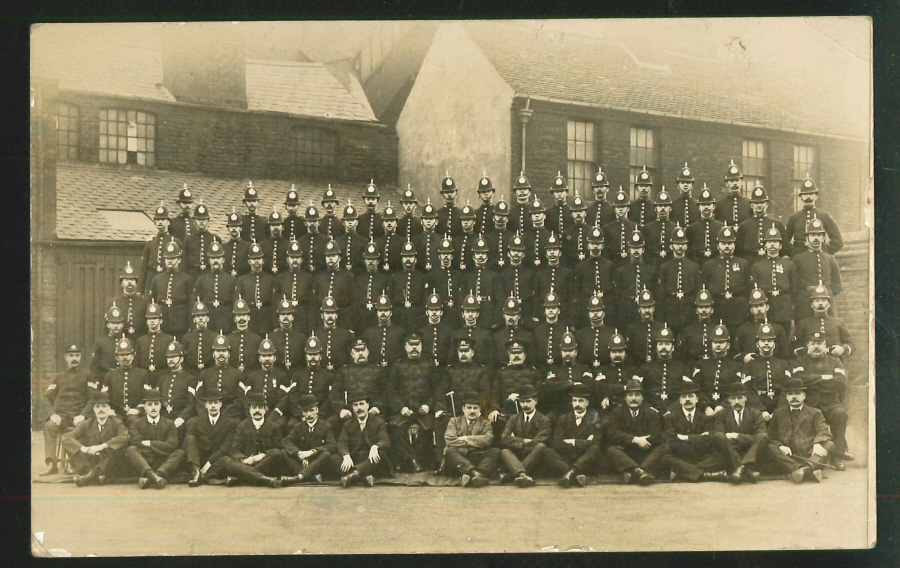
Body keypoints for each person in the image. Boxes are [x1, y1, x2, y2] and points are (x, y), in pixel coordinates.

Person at [792, 331, 853, 469]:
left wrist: (812, 380)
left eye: (819, 343)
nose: (816, 347)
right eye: (813, 343)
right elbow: (799, 380)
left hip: (830, 403)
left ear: (825, 345)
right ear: (807, 345)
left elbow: (840, 382)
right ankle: (812, 457)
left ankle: (837, 455)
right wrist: (824, 378)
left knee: (840, 414)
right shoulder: (800, 361)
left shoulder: (835, 361)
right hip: (809, 404)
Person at [433, 337, 495, 469]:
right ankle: (441, 462)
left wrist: (480, 410)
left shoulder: (481, 370)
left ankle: (476, 458)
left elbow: (485, 393)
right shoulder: (449, 370)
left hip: (474, 410)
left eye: (466, 351)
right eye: (460, 351)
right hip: (453, 411)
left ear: (472, 352)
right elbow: (440, 391)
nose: (463, 354)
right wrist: (441, 409)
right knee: (441, 421)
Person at [657, 379, 732, 483]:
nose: (687, 399)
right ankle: (706, 476)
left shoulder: (706, 418)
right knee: (665, 458)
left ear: (697, 399)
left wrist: (686, 438)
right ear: (680, 400)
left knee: (721, 457)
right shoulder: (671, 418)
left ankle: (685, 473)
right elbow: (671, 440)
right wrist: (699, 438)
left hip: (702, 456)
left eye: (691, 396)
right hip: (681, 456)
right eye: (684, 397)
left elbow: (710, 439)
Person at [763, 378, 834, 484]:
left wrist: (817, 443)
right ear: (786, 397)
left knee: (829, 444)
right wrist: (780, 446)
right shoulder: (778, 413)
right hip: (787, 457)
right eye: (790, 394)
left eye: (797, 393)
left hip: (809, 454)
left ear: (804, 396)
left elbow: (823, 430)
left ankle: (803, 470)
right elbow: (771, 435)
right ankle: (807, 469)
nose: (794, 396)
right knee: (769, 446)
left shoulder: (815, 412)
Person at [40, 344, 95, 476]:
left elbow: (93, 398)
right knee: (49, 426)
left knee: (82, 427)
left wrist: (83, 415)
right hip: (62, 416)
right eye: (71, 355)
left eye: (77, 355)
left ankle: (73, 462)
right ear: (66, 357)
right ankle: (51, 464)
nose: (74, 358)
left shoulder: (88, 375)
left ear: (80, 357)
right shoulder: (58, 377)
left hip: (78, 416)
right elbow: (46, 398)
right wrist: (52, 415)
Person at [387, 331, 436, 473]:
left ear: (421, 347)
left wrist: (428, 405)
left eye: (417, 345)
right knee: (396, 428)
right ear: (405, 347)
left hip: (423, 410)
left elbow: (436, 389)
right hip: (404, 410)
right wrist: (401, 407)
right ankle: (410, 460)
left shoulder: (430, 365)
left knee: (428, 429)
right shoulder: (398, 366)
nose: (414, 348)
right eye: (411, 345)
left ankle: (418, 460)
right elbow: (391, 390)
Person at [62, 392, 130, 487]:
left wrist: (101, 447)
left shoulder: (116, 423)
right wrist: (84, 448)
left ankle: (90, 477)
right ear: (94, 409)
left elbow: (124, 437)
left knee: (119, 447)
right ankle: (91, 475)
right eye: (97, 406)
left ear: (109, 408)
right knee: (71, 443)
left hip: (107, 464)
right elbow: (67, 437)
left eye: (103, 406)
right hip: (89, 462)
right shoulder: (86, 424)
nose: (100, 409)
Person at [221, 393, 288, 488]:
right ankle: (265, 480)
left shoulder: (274, 426)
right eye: (254, 407)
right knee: (228, 462)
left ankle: (242, 477)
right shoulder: (242, 426)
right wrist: (244, 459)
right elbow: (234, 450)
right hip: (246, 462)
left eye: (260, 407)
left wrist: (262, 455)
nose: (257, 410)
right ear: (250, 409)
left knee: (277, 454)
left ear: (265, 409)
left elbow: (278, 448)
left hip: (265, 463)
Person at [542, 383, 603, 488]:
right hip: (566, 458)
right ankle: (575, 475)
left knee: (595, 449)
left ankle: (570, 473)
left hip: (584, 460)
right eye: (574, 400)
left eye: (581, 401)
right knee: (548, 452)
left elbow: (595, 442)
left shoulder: (594, 419)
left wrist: (573, 441)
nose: (577, 404)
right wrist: (584, 442)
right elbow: (556, 443)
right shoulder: (563, 418)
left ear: (587, 402)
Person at [604, 378, 663, 485]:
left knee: (663, 448)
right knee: (611, 450)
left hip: (645, 451)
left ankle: (632, 471)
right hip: (626, 452)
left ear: (642, 397)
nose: (633, 398)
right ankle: (641, 472)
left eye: (637, 395)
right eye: (630, 395)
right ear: (625, 398)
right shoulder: (617, 413)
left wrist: (643, 441)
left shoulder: (652, 413)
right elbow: (613, 434)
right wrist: (635, 439)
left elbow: (656, 434)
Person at [125, 388, 186, 489]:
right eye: (149, 404)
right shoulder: (136, 423)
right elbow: (136, 443)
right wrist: (161, 448)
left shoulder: (169, 423)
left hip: (162, 461)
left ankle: (153, 476)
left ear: (160, 405)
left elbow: (172, 445)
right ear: (144, 407)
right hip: (144, 461)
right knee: (131, 449)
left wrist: (150, 443)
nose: (153, 407)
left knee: (180, 453)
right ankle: (155, 477)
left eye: (156, 404)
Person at [711, 382, 767, 484]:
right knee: (718, 436)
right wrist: (747, 438)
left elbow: (760, 436)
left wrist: (737, 436)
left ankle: (740, 468)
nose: (737, 401)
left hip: (750, 452)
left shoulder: (756, 414)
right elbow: (719, 435)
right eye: (733, 398)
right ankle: (745, 469)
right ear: (729, 400)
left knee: (762, 436)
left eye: (740, 398)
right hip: (730, 452)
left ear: (745, 398)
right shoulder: (722, 415)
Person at [443, 391, 499, 488]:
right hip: (459, 459)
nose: (472, 411)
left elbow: (488, 439)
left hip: (477, 457)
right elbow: (449, 439)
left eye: (475, 408)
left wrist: (466, 438)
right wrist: (476, 442)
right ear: (463, 409)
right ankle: (475, 474)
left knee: (496, 451)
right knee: (449, 451)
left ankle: (472, 475)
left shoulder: (486, 423)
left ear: (479, 410)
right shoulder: (454, 421)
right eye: (469, 408)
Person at [331, 338, 389, 431]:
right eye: (357, 351)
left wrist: (378, 407)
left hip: (372, 411)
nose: (361, 353)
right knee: (332, 422)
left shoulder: (378, 370)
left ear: (368, 352)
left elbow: (386, 392)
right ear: (352, 354)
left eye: (363, 350)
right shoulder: (343, 371)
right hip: (350, 412)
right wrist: (341, 409)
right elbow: (335, 393)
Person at [183, 388, 238, 487]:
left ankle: (203, 477)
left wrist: (209, 462)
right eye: (210, 403)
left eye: (216, 402)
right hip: (200, 462)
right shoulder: (197, 422)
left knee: (227, 460)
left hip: (217, 461)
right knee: (190, 438)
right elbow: (188, 444)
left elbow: (226, 448)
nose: (213, 406)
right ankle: (197, 472)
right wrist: (198, 463)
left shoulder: (230, 423)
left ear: (220, 404)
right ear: (206, 405)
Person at [281, 394, 340, 485]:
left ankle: (300, 477)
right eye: (305, 411)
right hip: (303, 462)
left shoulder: (326, 426)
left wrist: (312, 452)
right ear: (302, 413)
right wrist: (299, 453)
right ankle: (311, 477)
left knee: (327, 454)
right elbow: (286, 441)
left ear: (317, 410)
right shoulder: (298, 426)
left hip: (318, 462)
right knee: (283, 452)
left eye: (311, 410)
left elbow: (332, 445)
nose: (309, 414)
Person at [499, 384, 551, 487]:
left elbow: (540, 439)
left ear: (535, 401)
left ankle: (514, 475)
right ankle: (523, 475)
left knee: (541, 446)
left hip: (533, 457)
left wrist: (515, 440)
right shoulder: (514, 418)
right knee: (504, 451)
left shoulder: (544, 420)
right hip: (516, 455)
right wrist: (524, 442)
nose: (525, 405)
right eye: (522, 402)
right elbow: (504, 438)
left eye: (528, 401)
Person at [791, 218, 843, 321]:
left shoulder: (830, 258)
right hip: (805, 302)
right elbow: (793, 284)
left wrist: (826, 294)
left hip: (826, 302)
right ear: (807, 238)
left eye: (819, 235)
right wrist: (802, 296)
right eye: (813, 235)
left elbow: (837, 284)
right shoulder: (798, 259)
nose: (816, 238)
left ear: (823, 237)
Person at [338, 391, 392, 487]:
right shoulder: (348, 424)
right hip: (355, 459)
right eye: (355, 405)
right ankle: (363, 477)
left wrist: (375, 446)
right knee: (334, 458)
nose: (359, 408)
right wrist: (346, 455)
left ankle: (352, 476)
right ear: (352, 408)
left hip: (370, 460)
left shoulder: (378, 422)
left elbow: (385, 441)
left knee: (380, 454)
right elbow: (342, 443)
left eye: (362, 404)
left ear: (368, 405)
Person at [702, 225, 750, 334]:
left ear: (734, 244)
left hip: (738, 308)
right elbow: (704, 287)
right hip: (718, 307)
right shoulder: (709, 265)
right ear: (718, 245)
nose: (726, 246)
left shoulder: (743, 264)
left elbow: (748, 288)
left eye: (729, 243)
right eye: (723, 243)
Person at [749, 227, 798, 332]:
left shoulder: (789, 265)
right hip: (766, 306)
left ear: (780, 245)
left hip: (783, 307)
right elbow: (753, 288)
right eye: (769, 242)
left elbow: (794, 288)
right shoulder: (757, 266)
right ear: (765, 245)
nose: (772, 245)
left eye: (775, 242)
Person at [741, 323, 793, 417]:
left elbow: (787, 388)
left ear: (774, 344)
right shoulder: (749, 366)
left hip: (780, 408)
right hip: (756, 409)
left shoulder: (784, 364)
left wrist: (778, 411)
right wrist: (761, 410)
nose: (766, 343)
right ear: (757, 344)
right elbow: (747, 390)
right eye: (763, 340)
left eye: (769, 340)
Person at [792, 284, 856, 359]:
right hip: (809, 366)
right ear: (812, 305)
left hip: (834, 365)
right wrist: (807, 351)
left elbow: (851, 343)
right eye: (817, 300)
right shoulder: (803, 323)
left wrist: (842, 349)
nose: (820, 303)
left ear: (828, 304)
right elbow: (793, 347)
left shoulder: (838, 323)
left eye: (823, 300)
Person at [540, 331, 591, 424]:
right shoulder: (555, 369)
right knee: (546, 420)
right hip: (560, 408)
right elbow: (549, 386)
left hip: (580, 408)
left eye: (570, 350)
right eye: (565, 351)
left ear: (576, 352)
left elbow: (589, 385)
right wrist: (572, 384)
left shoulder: (584, 368)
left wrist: (561, 386)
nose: (567, 353)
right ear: (561, 352)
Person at [786, 176, 844, 256]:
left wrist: (824, 252)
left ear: (816, 196)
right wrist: (794, 254)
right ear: (801, 197)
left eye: (811, 194)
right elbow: (785, 242)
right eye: (805, 194)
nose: (808, 197)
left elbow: (838, 241)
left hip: (819, 258)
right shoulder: (794, 218)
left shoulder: (824, 217)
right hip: (798, 261)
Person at [658, 224, 701, 333]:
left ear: (686, 246)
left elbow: (697, 290)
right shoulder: (664, 267)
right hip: (670, 308)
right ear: (671, 246)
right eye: (677, 244)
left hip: (688, 308)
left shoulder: (693, 267)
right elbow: (661, 292)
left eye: (682, 244)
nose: (680, 247)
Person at [147, 239, 194, 338]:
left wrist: (189, 324)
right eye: (167, 258)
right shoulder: (157, 279)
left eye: (173, 258)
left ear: (179, 260)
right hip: (162, 320)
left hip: (180, 322)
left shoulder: (187, 279)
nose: (170, 261)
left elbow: (190, 303)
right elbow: (152, 300)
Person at [693, 323, 742, 416]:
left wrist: (723, 406)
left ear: (728, 345)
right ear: (711, 344)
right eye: (715, 342)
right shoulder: (702, 364)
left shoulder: (736, 366)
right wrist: (706, 406)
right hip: (704, 411)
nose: (718, 345)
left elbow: (736, 390)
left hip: (728, 410)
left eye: (721, 342)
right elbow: (696, 387)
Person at [640, 324, 692, 412]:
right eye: (660, 344)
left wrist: (673, 409)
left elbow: (686, 392)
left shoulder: (682, 368)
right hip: (650, 412)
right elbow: (640, 391)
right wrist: (649, 408)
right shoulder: (646, 368)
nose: (663, 347)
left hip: (675, 412)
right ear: (656, 347)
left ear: (673, 348)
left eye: (667, 344)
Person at [287, 336, 336, 427]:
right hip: (301, 414)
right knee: (291, 425)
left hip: (321, 415)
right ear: (306, 356)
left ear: (320, 356)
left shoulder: (329, 376)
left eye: (316, 354)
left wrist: (319, 414)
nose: (313, 357)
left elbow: (330, 398)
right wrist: (301, 414)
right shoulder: (297, 375)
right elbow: (292, 397)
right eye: (310, 354)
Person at [196, 333, 246, 422]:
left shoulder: (237, 374)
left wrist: (226, 415)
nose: (221, 354)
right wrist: (206, 415)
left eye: (224, 351)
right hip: (208, 412)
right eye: (218, 351)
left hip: (231, 415)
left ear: (229, 354)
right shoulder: (205, 374)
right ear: (213, 354)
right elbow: (199, 397)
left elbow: (240, 398)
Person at [613, 230, 658, 330]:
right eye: (633, 248)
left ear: (643, 249)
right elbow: (617, 294)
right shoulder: (621, 270)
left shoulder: (651, 270)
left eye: (638, 248)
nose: (636, 251)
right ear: (629, 249)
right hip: (627, 311)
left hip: (646, 309)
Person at [244, 337, 291, 428]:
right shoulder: (252, 377)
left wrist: (273, 416)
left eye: (269, 355)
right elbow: (247, 398)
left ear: (274, 358)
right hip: (256, 413)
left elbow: (284, 400)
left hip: (275, 414)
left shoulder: (282, 376)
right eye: (264, 356)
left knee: (279, 425)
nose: (267, 358)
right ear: (259, 358)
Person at [733, 287, 791, 361]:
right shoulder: (743, 329)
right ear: (751, 310)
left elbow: (785, 355)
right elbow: (736, 353)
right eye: (755, 306)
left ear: (767, 307)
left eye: (761, 305)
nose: (759, 309)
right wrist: (743, 357)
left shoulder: (778, 328)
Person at [736, 184, 790, 262]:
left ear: (767, 204)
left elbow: (785, 249)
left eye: (762, 202)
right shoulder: (744, 226)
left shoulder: (778, 224)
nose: (759, 205)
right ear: (751, 205)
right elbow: (738, 251)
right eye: (756, 203)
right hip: (750, 264)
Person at [103, 337, 151, 425]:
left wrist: (138, 410)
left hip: (135, 413)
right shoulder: (110, 375)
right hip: (116, 413)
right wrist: (108, 409)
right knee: (112, 421)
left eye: (127, 354)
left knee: (134, 421)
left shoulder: (142, 374)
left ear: (133, 355)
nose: (124, 357)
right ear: (116, 357)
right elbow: (104, 396)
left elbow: (147, 396)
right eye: (121, 355)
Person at [573, 227, 613, 331]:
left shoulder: (609, 265)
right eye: (592, 243)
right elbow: (576, 291)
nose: (595, 246)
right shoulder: (581, 267)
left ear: (602, 245)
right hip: (586, 307)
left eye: (598, 243)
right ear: (588, 245)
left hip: (605, 307)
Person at [193, 241, 237, 335]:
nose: (215, 261)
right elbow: (196, 302)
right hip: (209, 319)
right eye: (213, 258)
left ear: (223, 260)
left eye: (218, 257)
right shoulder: (202, 279)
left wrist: (234, 325)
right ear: (209, 261)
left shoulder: (231, 280)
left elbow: (235, 303)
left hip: (226, 319)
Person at [274, 240, 316, 335]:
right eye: (292, 257)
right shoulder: (280, 278)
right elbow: (275, 302)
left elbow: (312, 304)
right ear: (287, 259)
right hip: (285, 320)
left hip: (303, 321)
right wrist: (276, 324)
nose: (295, 260)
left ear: (301, 259)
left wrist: (311, 326)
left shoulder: (309, 278)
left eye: (297, 257)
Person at [461, 237, 504, 329]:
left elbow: (500, 300)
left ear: (487, 256)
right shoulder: (467, 276)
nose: (480, 256)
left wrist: (496, 320)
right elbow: (461, 298)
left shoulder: (494, 276)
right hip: (471, 314)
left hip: (488, 313)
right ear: (473, 257)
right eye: (477, 253)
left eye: (483, 253)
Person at [313, 240, 356, 329]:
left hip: (343, 320)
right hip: (323, 321)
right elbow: (314, 303)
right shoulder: (319, 277)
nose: (330, 258)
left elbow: (353, 303)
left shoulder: (348, 277)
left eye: (333, 255)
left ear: (339, 258)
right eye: (328, 256)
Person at [141, 203, 182, 295]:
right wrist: (141, 289)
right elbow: (144, 267)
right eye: (158, 219)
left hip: (167, 276)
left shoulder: (175, 242)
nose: (160, 222)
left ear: (168, 222)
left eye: (163, 219)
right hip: (151, 277)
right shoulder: (150, 242)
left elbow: (180, 265)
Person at [235, 242, 276, 335]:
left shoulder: (271, 280)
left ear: (263, 261)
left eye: (258, 258)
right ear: (249, 261)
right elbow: (237, 302)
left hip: (266, 319)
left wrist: (275, 324)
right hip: (250, 319)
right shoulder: (242, 280)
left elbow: (274, 303)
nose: (256, 261)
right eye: (253, 259)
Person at [594, 330, 638, 413]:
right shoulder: (603, 370)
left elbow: (635, 387)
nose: (617, 355)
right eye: (614, 352)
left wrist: (609, 393)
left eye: (620, 351)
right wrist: (624, 388)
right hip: (609, 409)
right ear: (609, 354)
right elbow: (600, 387)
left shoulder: (632, 370)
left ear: (625, 353)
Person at [535, 233, 573, 326]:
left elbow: (571, 297)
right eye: (549, 250)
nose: (552, 252)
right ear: (546, 253)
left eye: (555, 249)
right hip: (544, 316)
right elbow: (536, 298)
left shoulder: (567, 273)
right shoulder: (540, 274)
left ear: (560, 253)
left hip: (563, 315)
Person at [499, 234, 537, 326]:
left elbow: (534, 297)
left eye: (519, 251)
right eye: (513, 250)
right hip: (508, 314)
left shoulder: (530, 274)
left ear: (523, 254)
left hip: (526, 313)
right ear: (508, 253)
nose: (516, 253)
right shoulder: (503, 275)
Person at [156, 340, 197, 425]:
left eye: (174, 357)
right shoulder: (162, 379)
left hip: (180, 418)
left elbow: (191, 404)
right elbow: (158, 401)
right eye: (169, 357)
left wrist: (182, 418)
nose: (171, 360)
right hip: (163, 418)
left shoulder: (190, 379)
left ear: (181, 359)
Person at [425, 238, 462, 328]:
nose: (446, 256)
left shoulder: (459, 275)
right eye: (443, 254)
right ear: (439, 256)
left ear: (452, 256)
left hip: (455, 313)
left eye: (448, 254)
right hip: (440, 312)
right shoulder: (432, 275)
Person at [391, 240, 427, 330]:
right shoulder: (394, 277)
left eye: (410, 256)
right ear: (401, 259)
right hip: (398, 315)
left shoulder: (422, 277)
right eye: (405, 256)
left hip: (417, 315)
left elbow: (425, 299)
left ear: (415, 259)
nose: (408, 259)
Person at [311, 296, 355, 372]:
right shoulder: (315, 334)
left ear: (336, 315)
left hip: (340, 373)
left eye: (332, 313)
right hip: (321, 374)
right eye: (327, 313)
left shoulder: (346, 334)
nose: (330, 316)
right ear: (322, 315)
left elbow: (351, 359)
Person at [356, 241, 392, 331]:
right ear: (364, 261)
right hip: (362, 316)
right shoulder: (359, 279)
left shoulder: (385, 279)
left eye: (373, 259)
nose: (371, 261)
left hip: (378, 316)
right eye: (368, 259)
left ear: (378, 261)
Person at [108, 261, 148, 339]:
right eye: (126, 279)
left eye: (132, 279)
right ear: (121, 283)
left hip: (140, 341)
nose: (129, 282)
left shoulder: (144, 303)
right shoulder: (114, 303)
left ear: (136, 283)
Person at [625, 289, 665, 365]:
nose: (647, 310)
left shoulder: (661, 327)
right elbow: (629, 354)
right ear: (639, 309)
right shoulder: (632, 329)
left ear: (653, 308)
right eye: (643, 307)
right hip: (638, 367)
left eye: (649, 307)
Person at [686, 186, 723, 268]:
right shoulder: (691, 229)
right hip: (697, 265)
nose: (706, 207)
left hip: (716, 266)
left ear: (713, 206)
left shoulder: (721, 227)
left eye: (709, 204)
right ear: (698, 207)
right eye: (703, 204)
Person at [362, 295, 404, 368]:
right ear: (377, 313)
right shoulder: (369, 332)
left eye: (386, 310)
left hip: (394, 369)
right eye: (380, 310)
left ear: (391, 313)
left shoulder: (400, 332)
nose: (383, 313)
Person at [677, 287, 717, 363]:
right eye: (701, 307)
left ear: (712, 310)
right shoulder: (688, 330)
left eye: (707, 307)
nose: (704, 310)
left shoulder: (717, 328)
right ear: (696, 310)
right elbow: (682, 355)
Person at [492, 296, 535, 367]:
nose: (510, 317)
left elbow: (531, 360)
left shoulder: (527, 335)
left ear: (519, 316)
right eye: (508, 314)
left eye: (513, 314)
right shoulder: (497, 336)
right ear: (503, 315)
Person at [452, 294, 493, 365]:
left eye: (473, 311)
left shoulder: (485, 334)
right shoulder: (456, 334)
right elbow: (451, 360)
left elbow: (490, 361)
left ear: (477, 314)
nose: (470, 314)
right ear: (463, 314)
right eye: (467, 311)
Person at [270, 297, 308, 373]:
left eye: (288, 314)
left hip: (297, 372)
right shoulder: (271, 337)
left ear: (293, 317)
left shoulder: (301, 338)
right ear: (278, 318)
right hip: (278, 373)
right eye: (283, 314)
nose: (285, 317)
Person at [183, 201, 218, 280]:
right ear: (194, 220)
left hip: (209, 276)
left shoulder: (215, 239)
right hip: (192, 276)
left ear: (208, 220)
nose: (201, 222)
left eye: (204, 219)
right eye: (199, 219)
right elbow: (184, 263)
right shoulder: (188, 239)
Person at [643, 189, 676, 269]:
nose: (663, 208)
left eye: (666, 206)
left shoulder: (675, 228)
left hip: (670, 266)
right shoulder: (647, 228)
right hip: (652, 265)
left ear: (670, 208)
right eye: (660, 206)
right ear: (655, 208)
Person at [227, 297, 262, 374]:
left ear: (248, 317)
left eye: (244, 315)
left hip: (252, 374)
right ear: (235, 319)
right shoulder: (228, 339)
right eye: (238, 315)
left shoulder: (257, 339)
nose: (241, 318)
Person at [419, 292, 454, 368]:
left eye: (437, 310)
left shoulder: (449, 332)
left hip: (444, 369)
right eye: (431, 310)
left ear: (441, 312)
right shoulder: (421, 332)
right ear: (427, 312)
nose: (434, 312)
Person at [90, 304, 125, 380]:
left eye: (118, 323)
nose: (116, 326)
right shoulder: (100, 343)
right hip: (105, 379)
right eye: (112, 323)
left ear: (122, 325)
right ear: (108, 325)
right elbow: (94, 367)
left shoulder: (128, 342)